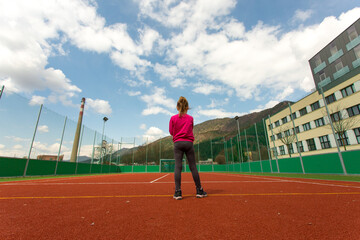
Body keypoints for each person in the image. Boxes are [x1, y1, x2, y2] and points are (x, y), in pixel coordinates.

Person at [169, 96, 207, 200]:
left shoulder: (173, 118)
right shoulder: (190, 118)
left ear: (177, 107)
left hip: (178, 143)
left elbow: (171, 132)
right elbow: (191, 128)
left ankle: (178, 192)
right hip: (189, 143)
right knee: (193, 166)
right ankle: (199, 190)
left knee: (178, 167)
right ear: (187, 107)